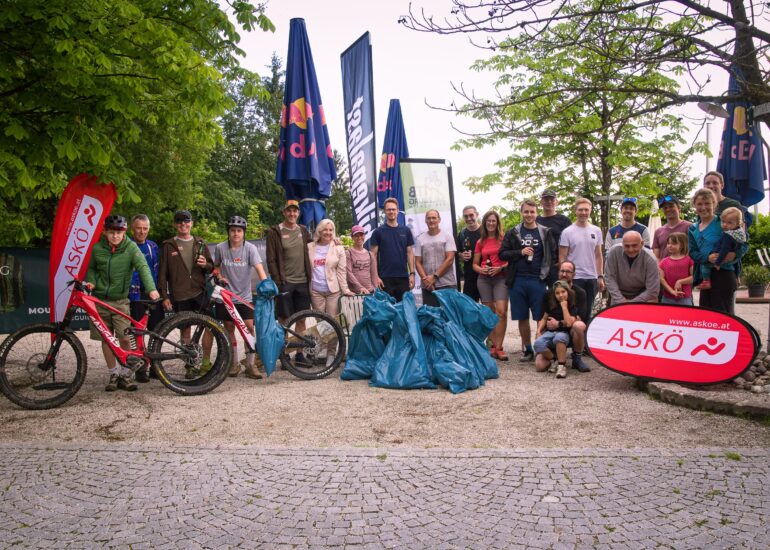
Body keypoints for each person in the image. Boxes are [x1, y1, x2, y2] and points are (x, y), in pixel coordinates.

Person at [86, 215, 159, 392]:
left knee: (125, 338)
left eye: (118, 233)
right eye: (111, 233)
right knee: (107, 339)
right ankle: (114, 374)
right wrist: (91, 282)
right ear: (105, 232)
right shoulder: (97, 249)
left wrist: (151, 289)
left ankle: (126, 375)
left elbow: (143, 267)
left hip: (120, 301)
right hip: (100, 300)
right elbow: (92, 269)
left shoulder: (131, 248)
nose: (115, 237)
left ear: (124, 232)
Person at [158, 209, 214, 376]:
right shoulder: (168, 245)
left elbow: (211, 267)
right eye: (180, 221)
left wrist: (206, 265)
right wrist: (165, 296)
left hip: (200, 292)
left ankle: (205, 362)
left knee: (211, 325)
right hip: (180, 293)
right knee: (185, 330)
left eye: (186, 221)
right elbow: (162, 274)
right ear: (175, 224)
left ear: (192, 223)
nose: (183, 224)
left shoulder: (200, 243)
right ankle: (190, 365)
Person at [499, 199, 556, 362]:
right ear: (521, 212)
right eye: (526, 212)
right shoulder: (513, 232)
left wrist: (548, 279)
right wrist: (520, 251)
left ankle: (540, 347)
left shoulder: (545, 231)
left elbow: (552, 255)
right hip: (517, 280)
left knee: (539, 316)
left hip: (537, 280)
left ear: (536, 213)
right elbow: (502, 254)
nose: (529, 215)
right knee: (521, 316)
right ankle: (528, 349)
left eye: (532, 212)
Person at [213, 215, 267, 379]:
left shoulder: (250, 248)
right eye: (232, 230)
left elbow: (259, 269)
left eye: (239, 231)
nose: (236, 234)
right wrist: (219, 276)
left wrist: (265, 284)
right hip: (226, 297)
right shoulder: (221, 248)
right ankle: (234, 363)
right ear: (228, 232)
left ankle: (251, 364)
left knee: (249, 329)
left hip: (244, 297)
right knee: (229, 329)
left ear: (243, 233)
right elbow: (216, 267)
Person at [688, 188, 747, 314]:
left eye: (707, 203)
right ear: (694, 206)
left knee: (724, 315)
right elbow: (692, 252)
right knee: (706, 315)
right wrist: (707, 258)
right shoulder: (692, 228)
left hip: (724, 273)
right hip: (705, 277)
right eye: (699, 204)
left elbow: (744, 244)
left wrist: (734, 254)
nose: (703, 207)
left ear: (714, 204)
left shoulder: (725, 221)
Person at [128, 214, 162, 383]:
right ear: (132, 229)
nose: (141, 231)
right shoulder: (126, 246)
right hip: (134, 295)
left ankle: (156, 365)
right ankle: (141, 367)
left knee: (156, 331)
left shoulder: (153, 246)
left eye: (145, 228)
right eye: (138, 228)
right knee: (137, 332)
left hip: (153, 294)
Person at [266, 200, 312, 322]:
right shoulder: (274, 232)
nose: (292, 214)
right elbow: (271, 259)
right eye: (289, 211)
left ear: (299, 213)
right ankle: (283, 342)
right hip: (285, 283)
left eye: (295, 211)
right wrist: (277, 281)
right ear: (284, 213)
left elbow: (314, 247)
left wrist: (334, 242)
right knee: (284, 319)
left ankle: (297, 342)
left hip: (303, 282)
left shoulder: (303, 230)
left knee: (302, 319)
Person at [558, 198, 604, 322]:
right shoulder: (568, 232)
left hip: (591, 277)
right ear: (575, 211)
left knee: (588, 312)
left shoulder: (596, 230)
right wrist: (564, 276)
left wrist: (600, 276)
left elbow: (598, 254)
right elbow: (562, 256)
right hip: (575, 278)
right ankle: (574, 339)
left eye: (586, 210)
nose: (583, 212)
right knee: (574, 310)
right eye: (580, 210)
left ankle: (584, 339)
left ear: (590, 211)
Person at [472, 210, 508, 360]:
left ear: (497, 223)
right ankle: (492, 345)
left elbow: (510, 260)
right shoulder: (480, 242)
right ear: (485, 223)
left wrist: (500, 268)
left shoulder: (504, 239)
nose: (491, 223)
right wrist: (483, 270)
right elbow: (475, 264)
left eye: (494, 221)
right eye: (488, 221)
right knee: (488, 313)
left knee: (501, 311)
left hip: (501, 278)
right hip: (484, 280)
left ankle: (500, 346)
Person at [370, 197, 415, 302]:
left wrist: (412, 274)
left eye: (393, 209)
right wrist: (376, 276)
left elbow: (410, 253)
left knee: (404, 310)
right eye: (388, 209)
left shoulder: (406, 231)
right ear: (385, 211)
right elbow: (373, 256)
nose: (391, 211)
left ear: (398, 211)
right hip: (385, 278)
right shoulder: (378, 232)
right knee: (387, 312)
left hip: (403, 277)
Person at [307, 219, 354, 317]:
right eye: (325, 229)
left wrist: (345, 290)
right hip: (315, 291)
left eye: (330, 230)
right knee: (319, 321)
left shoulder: (339, 248)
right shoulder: (309, 247)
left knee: (332, 321)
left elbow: (341, 271)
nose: (328, 232)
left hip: (333, 292)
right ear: (319, 231)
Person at [549, 261, 591, 372]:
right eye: (562, 271)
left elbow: (580, 317)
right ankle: (554, 357)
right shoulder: (550, 291)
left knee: (579, 325)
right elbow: (544, 316)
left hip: (570, 330)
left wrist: (559, 323)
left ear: (574, 275)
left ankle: (577, 358)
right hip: (554, 331)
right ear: (558, 272)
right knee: (540, 365)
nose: (564, 274)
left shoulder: (580, 292)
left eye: (568, 272)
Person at [533, 280, 578, 379]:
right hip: (550, 332)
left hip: (564, 333)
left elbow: (569, 322)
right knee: (538, 343)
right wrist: (538, 331)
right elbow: (544, 318)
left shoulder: (571, 306)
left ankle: (562, 366)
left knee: (559, 337)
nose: (560, 295)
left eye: (563, 292)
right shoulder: (551, 305)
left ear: (568, 292)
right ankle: (555, 360)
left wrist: (564, 307)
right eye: (557, 293)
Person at [696, 207, 747, 291]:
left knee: (705, 266)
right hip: (728, 264)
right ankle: (737, 277)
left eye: (729, 223)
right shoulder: (738, 233)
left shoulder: (728, 235)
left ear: (737, 223)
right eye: (723, 222)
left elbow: (724, 249)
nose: (725, 225)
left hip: (720, 261)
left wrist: (718, 262)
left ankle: (706, 281)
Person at [415, 209, 457, 307]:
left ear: (439, 220)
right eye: (429, 218)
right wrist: (425, 280)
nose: (431, 220)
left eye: (434, 218)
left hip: (447, 284)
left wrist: (434, 277)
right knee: (431, 316)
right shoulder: (420, 239)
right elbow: (417, 262)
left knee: (449, 316)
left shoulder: (447, 236)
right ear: (425, 221)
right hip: (428, 287)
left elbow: (450, 259)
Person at [605, 231, 660, 304]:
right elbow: (609, 278)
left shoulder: (650, 259)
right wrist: (620, 300)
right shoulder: (613, 252)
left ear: (642, 244)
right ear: (622, 244)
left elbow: (652, 290)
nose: (630, 250)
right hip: (618, 294)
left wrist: (631, 303)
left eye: (634, 245)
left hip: (642, 296)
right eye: (627, 246)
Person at [536, 189, 572, 284]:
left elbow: (571, 243)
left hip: (557, 267)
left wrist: (562, 263)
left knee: (558, 295)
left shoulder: (564, 221)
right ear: (541, 202)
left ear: (556, 201)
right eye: (546, 199)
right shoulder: (535, 220)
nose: (549, 202)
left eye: (551, 199)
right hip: (538, 267)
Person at [658, 232, 694, 305]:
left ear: (682, 245)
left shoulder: (689, 260)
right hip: (667, 298)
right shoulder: (663, 261)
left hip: (685, 298)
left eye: (674, 243)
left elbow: (694, 277)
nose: (670, 246)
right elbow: (661, 278)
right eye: (668, 243)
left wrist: (680, 281)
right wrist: (671, 291)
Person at [652, 195, 691, 259]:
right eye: (665, 208)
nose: (668, 209)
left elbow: (693, 251)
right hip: (663, 268)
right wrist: (659, 268)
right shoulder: (658, 231)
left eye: (671, 206)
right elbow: (656, 256)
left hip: (683, 268)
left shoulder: (689, 227)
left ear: (679, 208)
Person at [456, 205, 482, 301]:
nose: (469, 218)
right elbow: (457, 252)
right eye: (466, 216)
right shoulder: (462, 234)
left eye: (471, 215)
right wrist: (461, 255)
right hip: (469, 279)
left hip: (486, 277)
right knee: (470, 310)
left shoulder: (486, 231)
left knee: (488, 310)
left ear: (477, 215)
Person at [346, 225, 376, 294]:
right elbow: (349, 273)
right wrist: (360, 287)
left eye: (361, 235)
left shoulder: (370, 254)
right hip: (355, 293)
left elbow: (373, 273)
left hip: (369, 292)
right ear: (352, 237)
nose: (359, 238)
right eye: (356, 235)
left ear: (364, 236)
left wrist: (375, 289)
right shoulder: (348, 253)